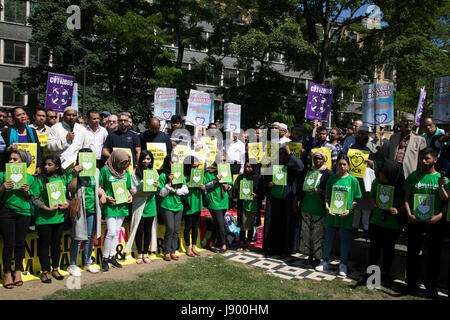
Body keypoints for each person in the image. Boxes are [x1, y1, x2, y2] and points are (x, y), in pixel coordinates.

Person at [402, 147, 449, 299]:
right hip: (415, 221)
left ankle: (431, 287)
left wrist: (440, 215)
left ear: (435, 160)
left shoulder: (443, 179)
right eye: (421, 158)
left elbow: (446, 201)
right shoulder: (414, 176)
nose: (423, 161)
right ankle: (411, 284)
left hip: (434, 223)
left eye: (427, 158)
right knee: (412, 254)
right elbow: (407, 198)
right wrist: (409, 214)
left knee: (433, 256)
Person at [315, 154, 362, 277]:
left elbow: (356, 198)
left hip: (346, 216)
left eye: (344, 164)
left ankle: (343, 264)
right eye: (340, 164)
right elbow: (327, 196)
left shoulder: (353, 180)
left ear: (348, 166)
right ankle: (324, 261)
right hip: (332, 214)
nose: (342, 166)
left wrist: (350, 210)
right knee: (328, 238)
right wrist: (327, 206)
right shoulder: (332, 179)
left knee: (345, 240)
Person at [364, 160, 405, 285]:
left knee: (389, 250)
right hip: (377, 221)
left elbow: (407, 202)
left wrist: (398, 210)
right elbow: (372, 195)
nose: (382, 178)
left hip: (392, 223)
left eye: (385, 176)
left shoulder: (401, 185)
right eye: (381, 175)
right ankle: (371, 276)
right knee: (374, 249)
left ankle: (386, 274)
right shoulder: (377, 182)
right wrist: (374, 203)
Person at [67, 148, 107, 276]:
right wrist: (75, 175)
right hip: (79, 208)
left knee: (90, 236)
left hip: (93, 208)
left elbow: (98, 186)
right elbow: (71, 189)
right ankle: (73, 264)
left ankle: (87, 262)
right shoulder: (73, 171)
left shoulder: (96, 171)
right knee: (78, 236)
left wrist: (103, 195)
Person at [30, 155, 70, 283]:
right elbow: (34, 198)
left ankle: (55, 268)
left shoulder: (62, 178)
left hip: (58, 218)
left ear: (57, 166)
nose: (46, 167)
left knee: (56, 245)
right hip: (43, 219)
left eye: (49, 164)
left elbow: (67, 195)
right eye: (45, 165)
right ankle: (44, 272)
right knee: (44, 245)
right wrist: (45, 208)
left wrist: (67, 204)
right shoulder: (39, 180)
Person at [0, 150, 34, 288]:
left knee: (20, 243)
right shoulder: (2, 176)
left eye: (15, 159)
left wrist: (27, 192)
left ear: (23, 162)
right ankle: (7, 273)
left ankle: (18, 272)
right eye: (10, 159)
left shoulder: (30, 178)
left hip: (24, 213)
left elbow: (32, 197)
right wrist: (2, 188)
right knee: (9, 244)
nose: (11, 161)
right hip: (7, 212)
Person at [263, 145, 304, 257]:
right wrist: (268, 185)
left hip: (287, 199)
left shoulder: (291, 166)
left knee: (286, 224)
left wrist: (290, 154)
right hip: (274, 201)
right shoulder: (272, 166)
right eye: (279, 154)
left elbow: (300, 166)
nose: (281, 156)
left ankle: (285, 249)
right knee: (273, 224)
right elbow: (264, 181)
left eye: (283, 154)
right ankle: (272, 247)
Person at [99, 149, 133, 271]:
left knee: (117, 232)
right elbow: (99, 187)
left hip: (122, 205)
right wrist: (105, 196)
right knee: (111, 232)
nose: (123, 166)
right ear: (115, 159)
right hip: (110, 206)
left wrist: (129, 196)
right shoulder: (105, 170)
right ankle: (104, 258)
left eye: (125, 163)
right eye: (121, 163)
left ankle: (111, 256)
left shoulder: (125, 172)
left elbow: (127, 188)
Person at [299, 151, 333, 266]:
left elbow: (330, 191)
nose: (317, 161)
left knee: (318, 234)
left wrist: (321, 191)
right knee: (306, 232)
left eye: (320, 159)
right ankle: (309, 255)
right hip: (307, 205)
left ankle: (318, 258)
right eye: (315, 159)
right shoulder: (308, 171)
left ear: (324, 160)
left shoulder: (328, 174)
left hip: (319, 207)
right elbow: (302, 187)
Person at [126, 150, 159, 264]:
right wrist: (144, 192)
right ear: (141, 160)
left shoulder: (154, 171)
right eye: (144, 158)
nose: (146, 161)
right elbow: (133, 191)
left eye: (148, 159)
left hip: (150, 205)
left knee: (148, 230)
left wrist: (157, 186)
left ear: (151, 160)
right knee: (139, 230)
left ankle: (146, 253)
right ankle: (139, 253)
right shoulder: (135, 172)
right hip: (139, 205)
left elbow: (157, 189)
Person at [158, 154, 189, 261]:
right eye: (172, 161)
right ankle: (166, 251)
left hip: (178, 205)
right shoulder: (162, 176)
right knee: (170, 228)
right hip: (167, 206)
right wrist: (169, 182)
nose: (174, 163)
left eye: (176, 161)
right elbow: (162, 193)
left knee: (176, 230)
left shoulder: (181, 175)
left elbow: (186, 190)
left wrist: (176, 191)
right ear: (168, 162)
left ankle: (173, 251)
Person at [378, 113, 427, 179]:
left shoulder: (420, 140)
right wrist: (379, 141)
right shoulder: (393, 137)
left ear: (413, 123)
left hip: (409, 173)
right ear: (401, 122)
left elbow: (423, 158)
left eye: (410, 121)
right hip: (393, 171)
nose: (408, 123)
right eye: (405, 121)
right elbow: (386, 154)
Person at [204, 159, 234, 254]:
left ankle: (211, 243)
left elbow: (231, 185)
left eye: (225, 160)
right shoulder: (208, 172)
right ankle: (223, 244)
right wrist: (215, 180)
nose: (224, 162)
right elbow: (205, 185)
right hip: (213, 201)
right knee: (220, 223)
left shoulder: (226, 170)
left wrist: (228, 187)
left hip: (223, 201)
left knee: (217, 223)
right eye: (222, 160)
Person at [233, 162, 263, 251]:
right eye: (246, 167)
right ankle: (241, 244)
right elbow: (235, 188)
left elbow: (262, 192)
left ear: (254, 168)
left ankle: (249, 243)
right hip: (243, 204)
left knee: (250, 225)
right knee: (242, 224)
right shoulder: (241, 177)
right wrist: (239, 192)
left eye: (250, 167)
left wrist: (256, 195)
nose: (247, 169)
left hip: (253, 205)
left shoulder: (258, 178)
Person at [1, 106, 41, 172]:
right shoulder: (7, 132)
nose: (22, 116)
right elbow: (2, 152)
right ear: (14, 118)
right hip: (12, 168)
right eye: (19, 115)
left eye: (24, 114)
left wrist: (38, 165)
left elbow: (38, 150)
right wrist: (9, 149)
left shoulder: (32, 131)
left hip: (30, 168)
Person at [183, 156, 205, 257]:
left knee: (196, 226)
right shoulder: (183, 177)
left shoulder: (201, 175)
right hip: (189, 203)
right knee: (188, 226)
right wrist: (185, 186)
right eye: (193, 167)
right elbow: (180, 190)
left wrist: (203, 188)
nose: (196, 169)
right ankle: (188, 247)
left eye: (197, 167)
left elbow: (205, 187)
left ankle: (194, 246)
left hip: (198, 202)